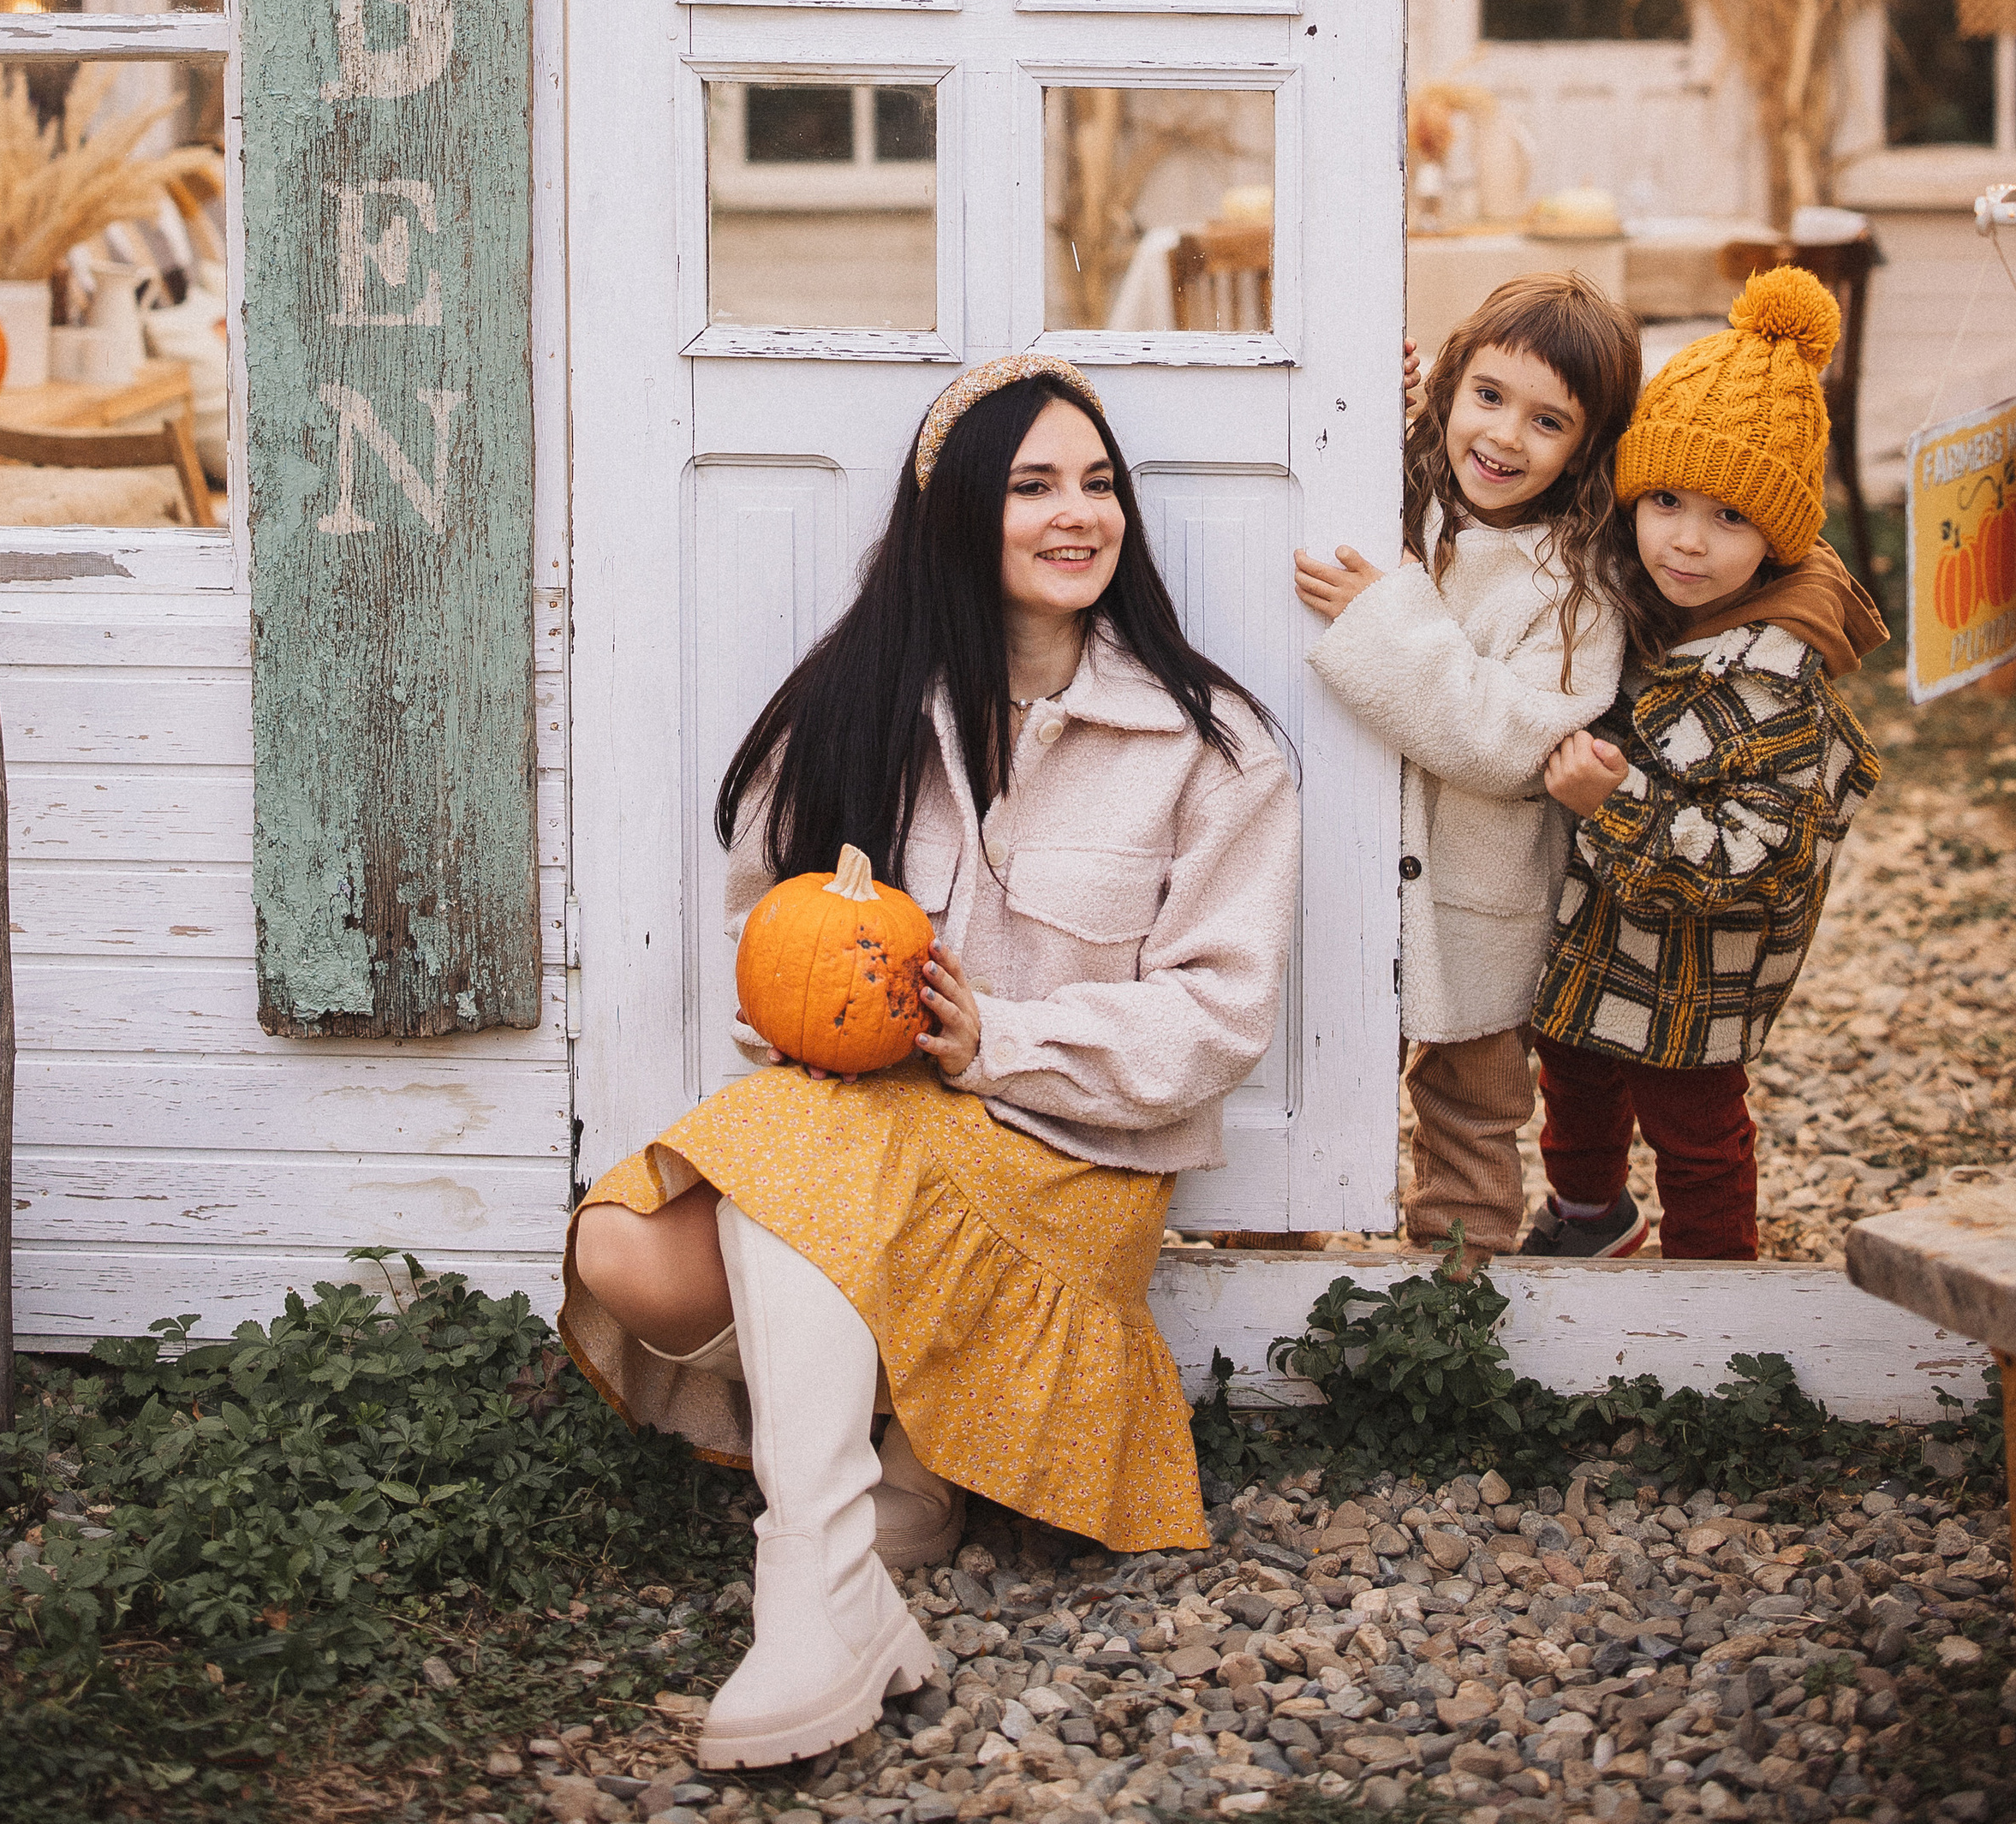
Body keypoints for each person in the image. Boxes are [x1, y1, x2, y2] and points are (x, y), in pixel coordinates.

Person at [560, 355, 1298, 1773]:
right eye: (1032, 488)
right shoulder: (860, 711)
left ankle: (816, 1585)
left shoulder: (1211, 746)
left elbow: (1218, 1015)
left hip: (1073, 1158)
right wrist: (825, 1020)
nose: (1075, 515)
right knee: (625, 1252)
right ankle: (877, 1521)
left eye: (1097, 486)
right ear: (958, 513)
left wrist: (1002, 1043)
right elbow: (773, 931)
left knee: (806, 1167)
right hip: (871, 1123)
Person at [1524, 265, 1888, 1261]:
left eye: (1731, 518)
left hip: (1696, 979)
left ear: (1778, 537)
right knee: (1573, 1072)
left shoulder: (1773, 685)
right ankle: (1590, 1217)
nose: (1686, 540)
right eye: (1669, 500)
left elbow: (1755, 859)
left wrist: (1617, 802)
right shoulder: (1635, 594)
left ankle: (1713, 1281)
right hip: (1600, 942)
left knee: (1696, 1133)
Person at [1293, 275, 1650, 1267]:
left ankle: (1459, 1294)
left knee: (1471, 1106)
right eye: (1485, 397)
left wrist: (1387, 619)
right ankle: (1263, 1241)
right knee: (1303, 1061)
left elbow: (1505, 741)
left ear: (1587, 447)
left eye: (1548, 421)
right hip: (1353, 863)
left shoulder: (1577, 588)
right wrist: (1372, 395)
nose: (1502, 437)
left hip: (1476, 897)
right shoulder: (1397, 496)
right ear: (1450, 389)